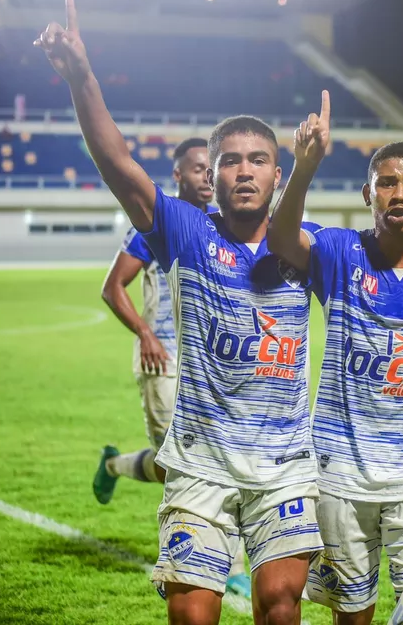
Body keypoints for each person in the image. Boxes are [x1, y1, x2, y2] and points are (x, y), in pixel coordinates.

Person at [38, 0, 321, 625]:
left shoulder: (310, 246)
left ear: (279, 174)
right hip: (199, 461)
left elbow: (388, 247)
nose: (244, 172)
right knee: (192, 614)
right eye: (230, 161)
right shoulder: (186, 231)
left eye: (259, 160)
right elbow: (117, 164)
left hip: (285, 464)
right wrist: (83, 78)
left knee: (279, 604)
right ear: (210, 175)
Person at [267, 94, 403, 625]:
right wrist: (305, 167)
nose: (399, 193)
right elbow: (278, 237)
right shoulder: (340, 252)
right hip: (339, 473)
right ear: (368, 193)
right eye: (387, 183)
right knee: (352, 614)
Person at [94, 138, 253, 598]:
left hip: (211, 366)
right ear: (179, 176)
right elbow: (113, 288)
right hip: (162, 362)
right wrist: (146, 333)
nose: (207, 176)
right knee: (178, 470)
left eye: (211, 168)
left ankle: (232, 564)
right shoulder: (153, 224)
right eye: (197, 169)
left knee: (223, 463)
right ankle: (119, 469)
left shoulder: (223, 225)